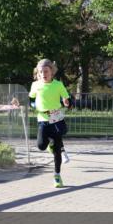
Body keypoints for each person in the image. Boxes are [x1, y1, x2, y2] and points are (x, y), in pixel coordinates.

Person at [26, 59, 71, 188]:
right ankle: (49, 145)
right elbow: (31, 99)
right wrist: (34, 105)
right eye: (41, 72)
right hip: (42, 119)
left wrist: (67, 102)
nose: (43, 74)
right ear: (38, 74)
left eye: (46, 71)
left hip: (56, 119)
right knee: (40, 145)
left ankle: (57, 177)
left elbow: (66, 98)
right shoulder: (35, 85)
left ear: (52, 72)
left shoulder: (58, 85)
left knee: (57, 151)